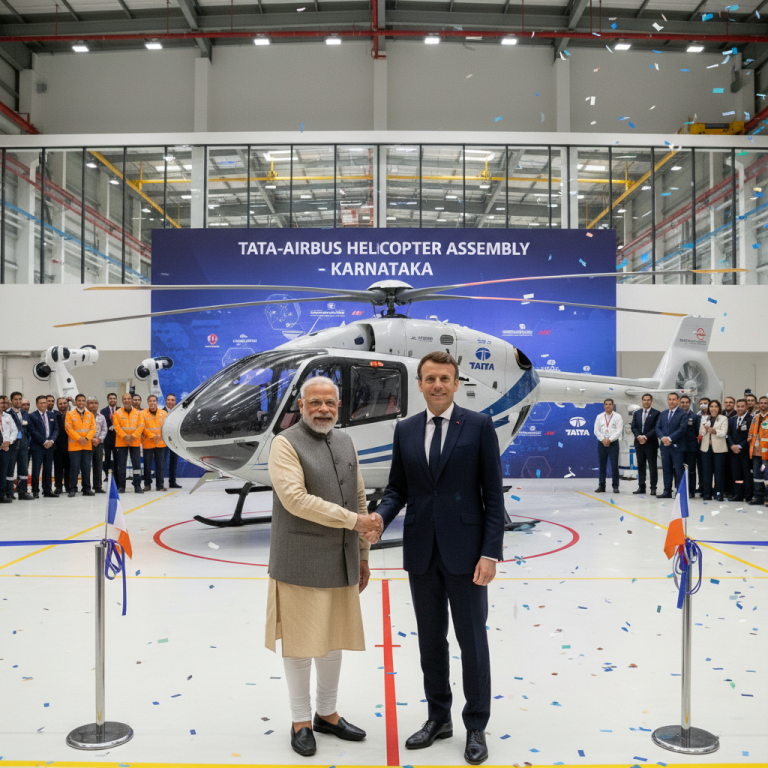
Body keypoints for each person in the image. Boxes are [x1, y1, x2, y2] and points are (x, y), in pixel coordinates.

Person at [372, 351, 505, 766]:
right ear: (420, 384)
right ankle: (438, 718)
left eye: (445, 378)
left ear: (456, 382)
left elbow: (493, 496)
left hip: (467, 555)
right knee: (431, 643)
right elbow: (398, 488)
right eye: (430, 379)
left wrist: (489, 553)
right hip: (421, 553)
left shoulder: (479, 426)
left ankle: (476, 725)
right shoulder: (405, 429)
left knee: (472, 643)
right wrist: (380, 517)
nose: (437, 385)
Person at [266, 376, 379, 757]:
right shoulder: (284, 444)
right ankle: (300, 720)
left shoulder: (345, 441)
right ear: (301, 406)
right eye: (315, 402)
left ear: (339, 405)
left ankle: (326, 714)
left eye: (330, 402)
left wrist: (363, 554)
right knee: (300, 644)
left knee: (333, 640)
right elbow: (295, 499)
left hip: (342, 559)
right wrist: (355, 522)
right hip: (299, 559)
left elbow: (359, 497)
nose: (323, 409)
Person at [655, 392, 686, 499]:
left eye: (673, 399)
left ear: (678, 401)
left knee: (678, 470)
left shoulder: (683, 414)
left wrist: (670, 438)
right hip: (665, 447)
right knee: (666, 469)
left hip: (677, 447)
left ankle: (679, 492)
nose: (671, 401)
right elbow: (657, 428)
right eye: (670, 399)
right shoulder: (663, 414)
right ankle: (667, 491)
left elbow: (682, 429)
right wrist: (662, 438)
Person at [65, 393, 96, 498]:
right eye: (79, 401)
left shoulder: (90, 415)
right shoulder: (70, 414)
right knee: (74, 468)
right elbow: (68, 428)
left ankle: (86, 489)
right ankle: (72, 489)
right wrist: (79, 438)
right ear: (76, 402)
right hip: (74, 446)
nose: (81, 403)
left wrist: (86, 438)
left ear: (85, 402)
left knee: (86, 468)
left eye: (83, 401)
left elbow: (93, 428)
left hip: (87, 445)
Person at [28, 395, 59, 499]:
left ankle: (47, 490)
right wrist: (44, 441)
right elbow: (32, 431)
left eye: (45, 402)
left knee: (48, 469)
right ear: (37, 404)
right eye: (41, 403)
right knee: (36, 469)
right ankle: (35, 490)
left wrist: (51, 441)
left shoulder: (52, 415)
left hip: (50, 446)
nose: (43, 405)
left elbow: (56, 429)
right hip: (38, 446)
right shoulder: (32, 416)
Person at [114, 392, 144, 493]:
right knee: (121, 465)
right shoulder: (117, 413)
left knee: (137, 465)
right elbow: (117, 427)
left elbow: (141, 426)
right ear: (122, 401)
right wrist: (125, 436)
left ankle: (137, 486)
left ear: (131, 400)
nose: (127, 401)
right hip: (121, 442)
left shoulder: (138, 413)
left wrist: (133, 436)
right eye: (125, 399)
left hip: (134, 442)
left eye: (128, 399)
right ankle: (121, 486)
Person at [699, 399, 728, 501]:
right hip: (706, 448)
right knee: (706, 472)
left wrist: (714, 431)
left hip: (719, 449)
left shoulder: (723, 418)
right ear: (709, 408)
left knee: (719, 472)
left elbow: (723, 433)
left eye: (716, 406)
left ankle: (718, 493)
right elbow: (701, 433)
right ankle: (707, 493)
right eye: (711, 406)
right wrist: (705, 427)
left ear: (719, 408)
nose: (713, 408)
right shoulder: (704, 418)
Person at [630, 394, 659, 495]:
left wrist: (645, 437)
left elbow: (656, 428)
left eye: (648, 400)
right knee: (641, 465)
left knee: (652, 466)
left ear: (651, 401)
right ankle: (641, 487)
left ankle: (653, 487)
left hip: (651, 444)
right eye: (644, 400)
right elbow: (633, 427)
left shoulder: (656, 413)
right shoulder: (637, 413)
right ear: (642, 401)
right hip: (639, 443)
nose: (646, 402)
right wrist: (639, 436)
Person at [594, 398, 623, 494]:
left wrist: (609, 440)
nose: (608, 406)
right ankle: (601, 486)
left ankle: (615, 486)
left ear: (613, 405)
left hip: (613, 443)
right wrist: (603, 439)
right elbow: (596, 430)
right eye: (606, 404)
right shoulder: (599, 417)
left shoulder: (618, 417)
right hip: (601, 443)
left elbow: (619, 431)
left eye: (610, 404)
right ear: (604, 405)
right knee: (602, 465)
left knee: (614, 466)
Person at [7, 392, 32, 500]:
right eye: (15, 399)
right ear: (11, 401)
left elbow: (29, 430)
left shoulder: (25, 414)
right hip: (12, 446)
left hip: (23, 446)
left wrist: (27, 443)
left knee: (23, 470)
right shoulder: (7, 414)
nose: (18, 401)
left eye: (20, 399)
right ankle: (9, 492)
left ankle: (22, 492)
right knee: (10, 470)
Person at [726, 399, 753, 502]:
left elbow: (750, 435)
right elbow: (728, 435)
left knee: (746, 474)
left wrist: (740, 446)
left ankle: (748, 494)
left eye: (742, 406)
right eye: (738, 406)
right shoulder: (731, 420)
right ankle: (738, 494)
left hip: (745, 452)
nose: (740, 408)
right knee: (736, 474)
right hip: (733, 452)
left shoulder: (751, 419)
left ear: (746, 407)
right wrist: (732, 445)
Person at [142, 395, 167, 491]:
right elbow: (142, 427)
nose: (152, 403)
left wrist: (159, 437)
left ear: (157, 402)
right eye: (150, 401)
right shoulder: (142, 413)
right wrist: (152, 436)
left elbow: (166, 426)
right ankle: (147, 485)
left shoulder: (163, 413)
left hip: (160, 443)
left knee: (160, 465)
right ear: (147, 402)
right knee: (147, 465)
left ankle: (160, 485)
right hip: (147, 443)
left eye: (154, 401)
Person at [747, 396, 768, 506]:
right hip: (755, 451)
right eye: (761, 403)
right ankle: (758, 496)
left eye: (765, 403)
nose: (763, 405)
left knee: (767, 476)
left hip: (766, 453)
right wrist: (750, 438)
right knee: (757, 476)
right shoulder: (755, 418)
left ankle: (767, 497)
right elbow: (751, 432)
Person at [678, 396, 700, 498]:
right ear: (679, 403)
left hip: (691, 448)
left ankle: (691, 491)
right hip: (679, 447)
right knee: (679, 470)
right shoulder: (676, 415)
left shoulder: (694, 417)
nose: (684, 404)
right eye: (682, 402)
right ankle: (680, 489)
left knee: (691, 470)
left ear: (690, 403)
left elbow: (697, 432)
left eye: (687, 402)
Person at [87, 397, 108, 494]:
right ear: (87, 405)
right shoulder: (85, 416)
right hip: (88, 443)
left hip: (99, 444)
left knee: (98, 465)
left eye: (95, 403)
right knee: (87, 466)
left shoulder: (101, 417)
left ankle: (98, 486)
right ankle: (86, 487)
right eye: (91, 403)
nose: (93, 405)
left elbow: (104, 430)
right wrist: (91, 439)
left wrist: (99, 439)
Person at [0, 396, 18, 504]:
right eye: (1, 403)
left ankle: (2, 495)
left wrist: (9, 441)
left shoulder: (8, 416)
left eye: (4, 403)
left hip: (5, 449)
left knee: (3, 473)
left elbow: (14, 430)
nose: (3, 405)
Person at [53, 397, 71, 495]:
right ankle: (58, 487)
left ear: (68, 404)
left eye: (64, 403)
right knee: (58, 467)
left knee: (69, 467)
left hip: (71, 445)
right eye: (60, 403)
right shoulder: (54, 416)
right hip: (58, 446)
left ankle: (68, 486)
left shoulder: (71, 415)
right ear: (57, 405)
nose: (63, 405)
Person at [164, 393, 182, 488]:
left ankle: (172, 482)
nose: (170, 402)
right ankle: (160, 483)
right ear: (166, 401)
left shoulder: (178, 412)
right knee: (161, 462)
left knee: (173, 462)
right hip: (163, 441)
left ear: (175, 401)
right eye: (169, 400)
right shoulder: (161, 412)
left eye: (172, 400)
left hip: (174, 441)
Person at [101, 392, 119, 485]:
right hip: (107, 438)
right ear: (108, 400)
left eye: (114, 398)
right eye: (111, 398)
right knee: (107, 457)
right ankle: (107, 475)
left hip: (118, 438)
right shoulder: (103, 411)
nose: (112, 400)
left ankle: (116, 475)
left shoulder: (120, 410)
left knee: (117, 457)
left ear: (116, 399)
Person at [695, 397, 710, 495]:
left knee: (707, 467)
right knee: (700, 466)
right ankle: (701, 485)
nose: (703, 405)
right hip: (698, 444)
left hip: (709, 444)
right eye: (701, 403)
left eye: (705, 403)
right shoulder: (697, 416)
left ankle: (707, 487)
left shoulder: (712, 416)